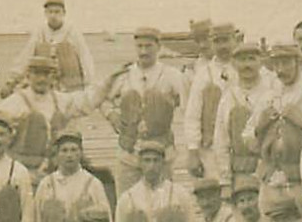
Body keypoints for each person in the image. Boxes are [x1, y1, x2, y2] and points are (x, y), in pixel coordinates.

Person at [98, 26, 187, 193]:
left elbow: (189, 106)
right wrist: (112, 115)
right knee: (127, 201)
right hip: (130, 153)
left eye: (148, 46)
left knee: (163, 200)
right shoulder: (124, 74)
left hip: (161, 153)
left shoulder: (172, 75)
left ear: (158, 47)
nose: (144, 51)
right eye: (140, 46)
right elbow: (102, 98)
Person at [0, 55, 98, 175]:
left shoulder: (60, 99)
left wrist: (110, 82)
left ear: (53, 77)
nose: (41, 79)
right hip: (24, 167)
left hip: (54, 167)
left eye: (46, 75)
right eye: (37, 74)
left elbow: (87, 102)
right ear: (28, 76)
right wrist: (9, 132)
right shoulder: (17, 100)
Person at [253, 43, 302, 214]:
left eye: (286, 63)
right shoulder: (268, 96)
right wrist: (260, 125)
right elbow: (249, 139)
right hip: (270, 180)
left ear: (298, 62)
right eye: (277, 64)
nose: (281, 69)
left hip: (301, 181)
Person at [215, 42, 281, 193]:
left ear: (260, 62)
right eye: (242, 60)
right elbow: (221, 140)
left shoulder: (273, 93)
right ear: (234, 63)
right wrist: (225, 180)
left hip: (270, 169)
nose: (247, 65)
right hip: (241, 170)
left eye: (251, 59)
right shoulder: (228, 97)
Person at [185, 22, 236, 180]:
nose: (222, 46)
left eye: (226, 40)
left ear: (235, 39)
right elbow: (192, 115)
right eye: (217, 41)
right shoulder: (203, 74)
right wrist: (193, 152)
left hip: (241, 148)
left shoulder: (246, 68)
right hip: (211, 149)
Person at [15, 0, 96, 93]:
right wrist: (13, 79)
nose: (53, 16)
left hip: (70, 87)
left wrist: (89, 84)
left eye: (57, 12)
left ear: (64, 13)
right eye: (50, 12)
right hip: (47, 87)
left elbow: (85, 58)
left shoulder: (72, 31)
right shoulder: (40, 31)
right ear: (45, 14)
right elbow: (26, 56)